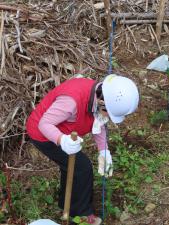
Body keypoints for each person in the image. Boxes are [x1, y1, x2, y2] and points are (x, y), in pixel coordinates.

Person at [26, 74, 139, 225]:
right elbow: (44, 124)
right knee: (82, 167)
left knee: (72, 166)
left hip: (62, 131)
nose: (109, 118)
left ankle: (68, 204)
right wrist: (62, 140)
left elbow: (99, 123)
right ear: (101, 101)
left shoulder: (101, 95)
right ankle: (82, 214)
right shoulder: (71, 101)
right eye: (109, 113)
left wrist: (103, 151)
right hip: (43, 134)